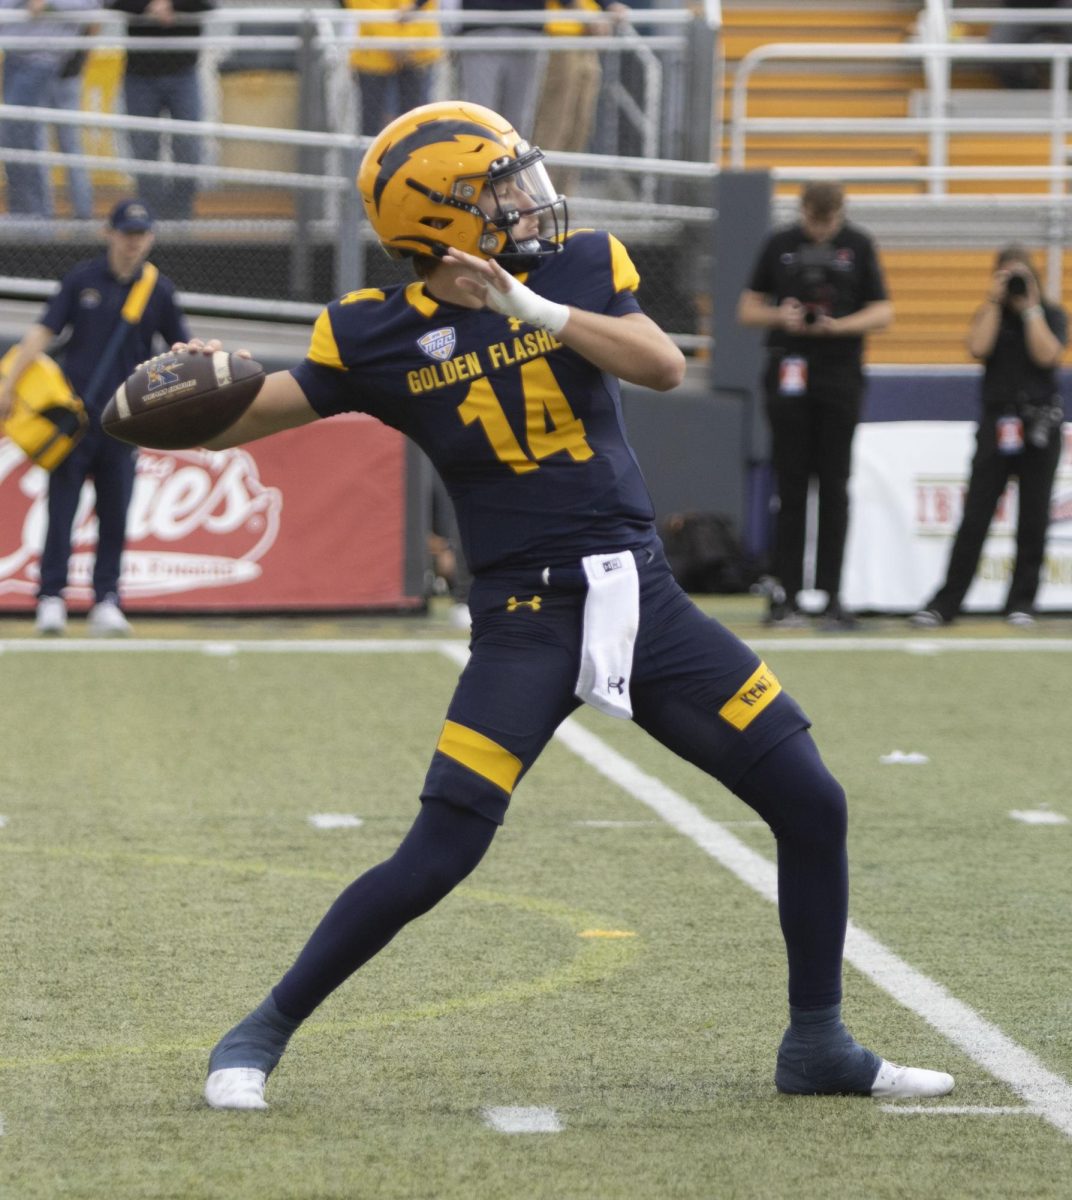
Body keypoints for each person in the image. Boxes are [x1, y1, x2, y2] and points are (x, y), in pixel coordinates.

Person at [178, 101, 951, 1111]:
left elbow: (662, 364)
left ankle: (817, 1045)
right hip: (524, 620)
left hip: (644, 597)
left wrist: (525, 308)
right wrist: (158, 413)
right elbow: (243, 421)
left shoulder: (577, 271)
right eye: (497, 189)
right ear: (437, 221)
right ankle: (258, 1032)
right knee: (442, 848)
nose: (526, 202)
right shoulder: (374, 335)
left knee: (811, 802)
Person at [0, 199, 189, 636]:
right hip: (75, 419)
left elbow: (180, 344)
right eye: (126, 234)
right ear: (109, 233)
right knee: (61, 510)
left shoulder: (158, 290)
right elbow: (43, 331)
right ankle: (51, 597)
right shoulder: (81, 280)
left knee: (115, 512)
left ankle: (106, 598)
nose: (132, 243)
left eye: (140, 235)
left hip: (123, 419)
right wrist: (9, 383)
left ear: (150, 238)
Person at [737, 181, 893, 631]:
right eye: (813, 219)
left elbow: (883, 311)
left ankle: (831, 593)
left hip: (839, 373)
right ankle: (785, 592)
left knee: (835, 485)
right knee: (790, 485)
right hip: (788, 372)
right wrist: (779, 316)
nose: (820, 228)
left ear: (841, 213)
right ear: (801, 210)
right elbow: (747, 309)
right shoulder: (780, 244)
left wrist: (839, 326)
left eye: (828, 220)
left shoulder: (858, 245)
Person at [910, 246, 1067, 629]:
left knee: (1033, 518)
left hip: (1039, 428)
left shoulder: (1051, 314)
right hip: (997, 425)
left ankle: (1022, 602)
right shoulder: (989, 314)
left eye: (1020, 276)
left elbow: (1048, 356)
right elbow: (977, 346)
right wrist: (994, 302)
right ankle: (946, 603)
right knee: (976, 516)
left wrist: (1029, 307)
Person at [110, 0, 215, 221]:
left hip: (183, 72)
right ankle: (150, 218)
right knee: (143, 148)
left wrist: (172, 4)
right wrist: (148, 6)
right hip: (139, 74)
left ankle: (180, 215)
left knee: (189, 147)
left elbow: (208, 3)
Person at [0, 0, 96, 217]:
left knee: (30, 138)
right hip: (16, 56)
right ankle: (27, 213)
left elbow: (92, 7)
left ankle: (37, 216)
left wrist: (49, 4)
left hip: (48, 61)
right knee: (16, 138)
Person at [532, 0, 628, 195]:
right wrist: (587, 15)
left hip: (586, 41)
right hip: (561, 37)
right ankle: (540, 202)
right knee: (555, 125)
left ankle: (564, 200)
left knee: (579, 127)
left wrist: (608, 6)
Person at [338, 0, 442, 137]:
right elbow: (365, 7)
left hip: (417, 55)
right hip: (374, 59)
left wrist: (407, 44)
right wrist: (396, 43)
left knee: (416, 125)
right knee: (374, 128)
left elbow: (423, 6)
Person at [457, 0, 546, 137]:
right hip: (481, 26)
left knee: (518, 121)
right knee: (480, 116)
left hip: (526, 25)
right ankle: (481, 156)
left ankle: (514, 157)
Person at [47, 43, 95, 220]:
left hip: (65, 74)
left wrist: (80, 59)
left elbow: (93, 22)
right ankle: (41, 216)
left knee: (71, 147)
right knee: (37, 149)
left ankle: (82, 214)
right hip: (37, 75)